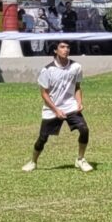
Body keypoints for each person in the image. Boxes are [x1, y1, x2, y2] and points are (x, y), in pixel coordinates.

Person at [21, 41, 93, 172]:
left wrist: (79, 102)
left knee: (84, 129)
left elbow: (77, 87)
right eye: (62, 47)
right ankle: (33, 162)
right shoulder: (47, 70)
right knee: (42, 138)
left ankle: (80, 159)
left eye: (68, 47)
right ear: (55, 50)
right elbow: (44, 94)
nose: (66, 50)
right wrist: (56, 110)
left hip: (70, 106)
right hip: (52, 108)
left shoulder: (76, 67)